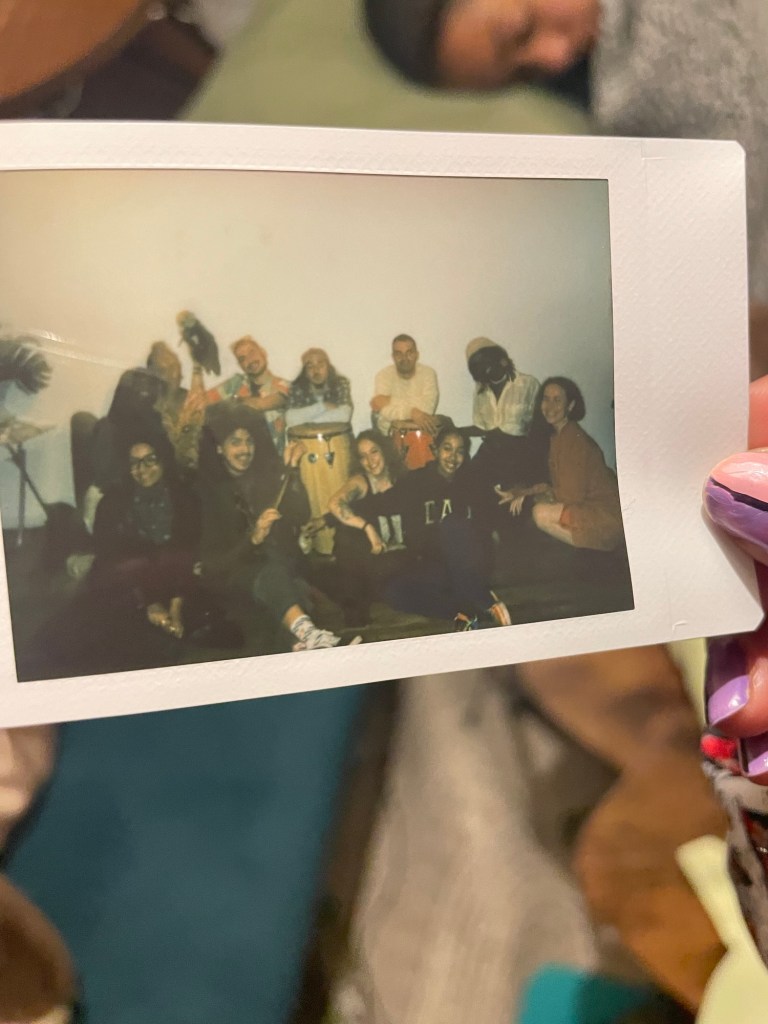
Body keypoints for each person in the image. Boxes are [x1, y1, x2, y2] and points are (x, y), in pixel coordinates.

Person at [363, 0, 768, 370]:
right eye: (525, 75)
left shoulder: (651, 64)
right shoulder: (610, 112)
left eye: (523, 30)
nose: (554, 57)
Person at [198, 402, 360, 651]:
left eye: (249, 442)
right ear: (219, 447)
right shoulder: (208, 494)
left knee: (290, 588)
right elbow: (215, 565)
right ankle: (312, 637)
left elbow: (299, 514)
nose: (245, 450)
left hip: (276, 575)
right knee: (280, 579)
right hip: (236, 578)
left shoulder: (262, 478)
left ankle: (304, 643)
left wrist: (291, 471)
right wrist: (253, 539)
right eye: (235, 442)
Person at [383, 423, 511, 626]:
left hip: (469, 564)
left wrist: (521, 491)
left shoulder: (474, 481)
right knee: (394, 592)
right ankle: (465, 613)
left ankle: (483, 600)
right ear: (435, 450)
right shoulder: (416, 481)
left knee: (452, 523)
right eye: (447, 449)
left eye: (460, 451)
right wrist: (336, 512)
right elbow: (382, 502)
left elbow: (492, 520)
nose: (453, 457)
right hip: (436, 566)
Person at [497, 376, 623, 551]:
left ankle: (601, 546)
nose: (550, 406)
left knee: (540, 513)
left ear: (570, 406)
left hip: (606, 515)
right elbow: (554, 486)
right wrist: (520, 493)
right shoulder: (558, 435)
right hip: (590, 507)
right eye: (546, 399)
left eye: (557, 400)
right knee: (537, 510)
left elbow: (569, 497)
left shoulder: (574, 440)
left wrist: (532, 497)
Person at [325, 430, 407, 625]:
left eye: (374, 452)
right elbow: (335, 503)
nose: (370, 461)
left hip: (397, 556)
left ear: (385, 451)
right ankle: (355, 608)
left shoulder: (404, 481)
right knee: (346, 538)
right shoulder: (361, 482)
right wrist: (368, 528)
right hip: (371, 557)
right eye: (363, 456)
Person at [465, 336, 545, 532]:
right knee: (469, 479)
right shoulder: (480, 391)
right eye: (478, 365)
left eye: (486, 361)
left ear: (501, 360)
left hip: (520, 452)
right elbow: (482, 427)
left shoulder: (528, 384)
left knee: (512, 509)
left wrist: (526, 479)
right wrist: (454, 430)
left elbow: (539, 430)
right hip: (491, 450)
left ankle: (510, 534)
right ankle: (485, 534)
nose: (485, 369)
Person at [206, 336, 290, 455]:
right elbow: (202, 401)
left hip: (271, 459)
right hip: (239, 456)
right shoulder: (236, 383)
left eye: (252, 352)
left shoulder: (283, 385)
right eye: (242, 358)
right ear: (241, 365)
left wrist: (233, 401)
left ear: (263, 353)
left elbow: (261, 404)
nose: (249, 360)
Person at [146, 340, 207, 471]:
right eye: (164, 370)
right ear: (153, 375)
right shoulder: (146, 411)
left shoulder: (193, 401)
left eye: (175, 366)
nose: (173, 374)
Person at [371, 333, 440, 437]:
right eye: (399, 354)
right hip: (388, 435)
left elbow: (427, 407)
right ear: (393, 357)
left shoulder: (428, 373)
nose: (404, 358)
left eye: (409, 353)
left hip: (421, 433)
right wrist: (411, 412)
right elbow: (384, 410)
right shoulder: (383, 376)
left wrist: (392, 401)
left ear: (416, 354)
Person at [284, 347, 353, 428]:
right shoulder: (297, 387)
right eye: (310, 367)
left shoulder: (340, 383)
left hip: (337, 434)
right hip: (306, 435)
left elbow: (344, 415)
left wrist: (306, 420)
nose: (316, 370)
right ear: (305, 372)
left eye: (321, 365)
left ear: (328, 367)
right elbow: (290, 419)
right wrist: (322, 407)